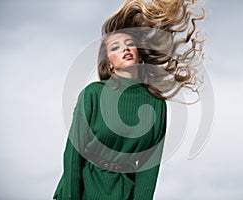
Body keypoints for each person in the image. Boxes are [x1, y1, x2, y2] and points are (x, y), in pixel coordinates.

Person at [53, 0, 205, 199]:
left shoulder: (156, 103)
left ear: (139, 55)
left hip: (124, 192)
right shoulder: (93, 94)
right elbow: (73, 154)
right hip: (83, 188)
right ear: (109, 65)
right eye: (115, 48)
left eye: (130, 45)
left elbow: (149, 168)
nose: (124, 49)